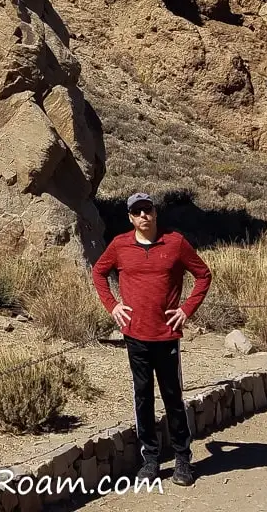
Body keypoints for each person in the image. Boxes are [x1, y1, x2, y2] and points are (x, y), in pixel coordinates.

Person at [92, 192, 212, 488]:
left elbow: (203, 275)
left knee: (173, 397)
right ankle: (150, 460)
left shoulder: (175, 243)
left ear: (155, 213)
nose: (143, 216)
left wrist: (186, 310)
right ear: (130, 217)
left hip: (166, 335)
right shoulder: (120, 245)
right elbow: (98, 272)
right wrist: (113, 305)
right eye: (137, 212)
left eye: (147, 210)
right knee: (143, 397)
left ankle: (183, 459)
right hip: (135, 335)